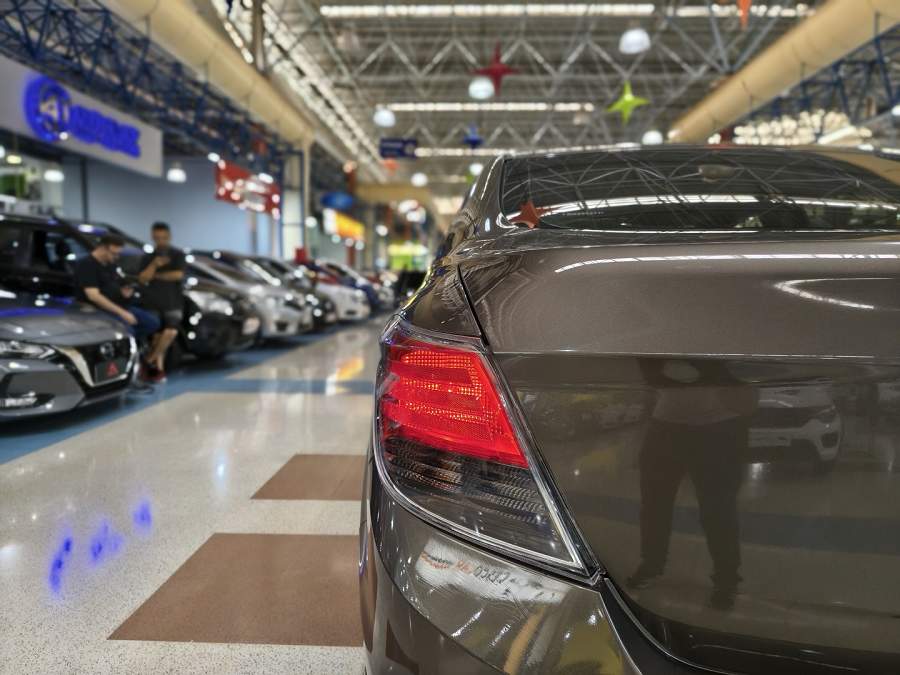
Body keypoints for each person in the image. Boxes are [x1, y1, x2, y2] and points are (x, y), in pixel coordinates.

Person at [137, 222, 185, 382]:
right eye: (157, 238)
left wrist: (156, 276)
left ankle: (148, 361)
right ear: (152, 237)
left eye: (163, 237)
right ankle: (159, 370)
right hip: (152, 302)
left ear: (169, 236)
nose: (160, 241)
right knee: (157, 337)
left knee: (170, 332)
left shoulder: (177, 255)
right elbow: (143, 279)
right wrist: (154, 265)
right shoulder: (148, 257)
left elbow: (178, 275)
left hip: (173, 302)